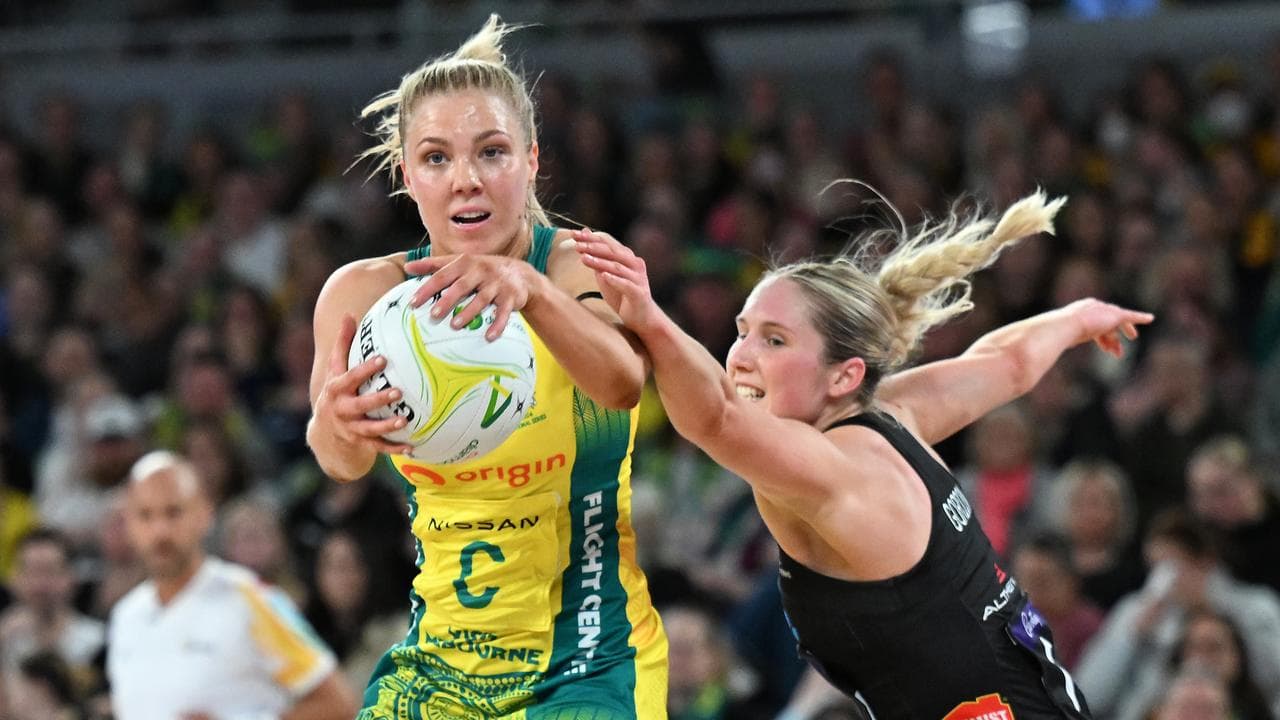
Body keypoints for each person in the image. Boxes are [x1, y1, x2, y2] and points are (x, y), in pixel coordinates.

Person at [571, 189, 1154, 719]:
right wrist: (1077, 317)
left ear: (844, 376)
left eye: (774, 340)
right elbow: (1007, 361)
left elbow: (716, 416)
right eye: (743, 330)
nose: (741, 355)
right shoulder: (897, 414)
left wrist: (650, 321)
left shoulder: (834, 472)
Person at [306, 15, 666, 719]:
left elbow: (623, 383)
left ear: (532, 161)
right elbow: (335, 459)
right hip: (442, 661)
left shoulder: (573, 263)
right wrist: (340, 422)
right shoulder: (364, 292)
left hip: (590, 660)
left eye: (492, 152)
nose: (465, 180)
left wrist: (530, 292)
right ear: (405, 174)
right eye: (437, 158)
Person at [107, 450, 357, 719]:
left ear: (205, 513)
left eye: (174, 512)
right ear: (129, 523)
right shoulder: (125, 617)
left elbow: (339, 705)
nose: (160, 531)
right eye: (145, 515)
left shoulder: (247, 598)